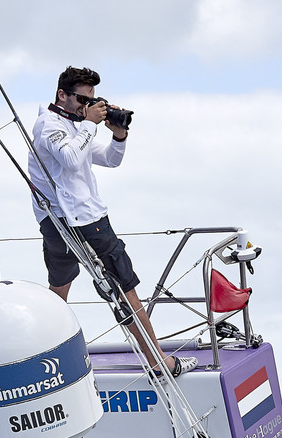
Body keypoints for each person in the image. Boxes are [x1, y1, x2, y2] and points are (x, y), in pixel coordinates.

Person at [27, 66, 194, 379]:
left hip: (76, 216)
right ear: (62, 95)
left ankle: (45, 359)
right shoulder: (48, 125)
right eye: (81, 99)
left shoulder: (75, 124)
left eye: (91, 100)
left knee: (70, 284)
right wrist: (91, 123)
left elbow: (109, 159)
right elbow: (71, 158)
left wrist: (119, 134)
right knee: (115, 284)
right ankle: (157, 362)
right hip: (71, 219)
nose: (86, 105)